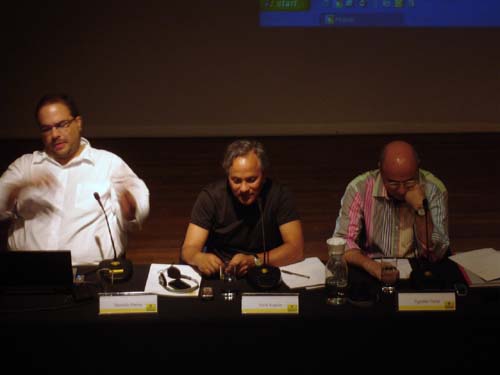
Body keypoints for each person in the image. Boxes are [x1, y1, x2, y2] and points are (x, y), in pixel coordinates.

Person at [0, 93, 150, 265]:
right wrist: (17, 188)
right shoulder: (25, 166)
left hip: (92, 274)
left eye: (61, 125)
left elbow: (138, 209)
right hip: (27, 273)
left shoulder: (108, 163)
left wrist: (130, 208)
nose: (55, 134)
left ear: (78, 123)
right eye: (46, 129)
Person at [181, 139, 304, 277]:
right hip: (221, 273)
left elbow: (296, 250)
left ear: (263, 175)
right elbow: (188, 249)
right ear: (228, 176)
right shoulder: (211, 197)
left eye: (251, 180)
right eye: (236, 181)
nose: (244, 188)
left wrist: (255, 261)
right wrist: (199, 258)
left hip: (265, 270)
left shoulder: (280, 196)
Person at [332, 140, 449, 280]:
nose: (401, 190)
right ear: (380, 170)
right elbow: (342, 242)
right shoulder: (359, 188)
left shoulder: (434, 189)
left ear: (418, 169)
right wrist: (370, 265)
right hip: (372, 267)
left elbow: (436, 253)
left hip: (420, 269)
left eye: (409, 182)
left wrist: (421, 210)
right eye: (393, 183)